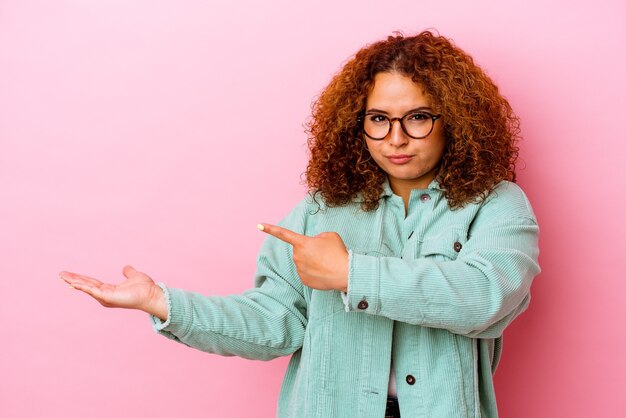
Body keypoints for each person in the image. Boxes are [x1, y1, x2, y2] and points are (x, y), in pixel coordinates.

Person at [60, 30, 540, 418]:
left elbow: (488, 298)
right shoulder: (320, 210)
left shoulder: (497, 204)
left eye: (417, 117)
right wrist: (163, 303)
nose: (396, 138)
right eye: (378, 118)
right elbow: (276, 322)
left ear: (454, 120)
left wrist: (349, 273)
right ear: (358, 123)